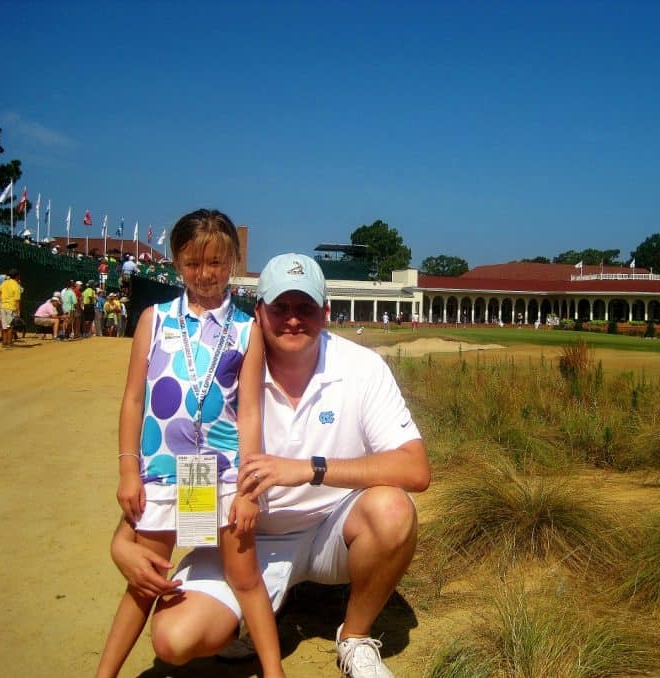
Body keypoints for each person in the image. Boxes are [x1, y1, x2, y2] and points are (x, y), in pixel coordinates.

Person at [109, 252, 430, 677]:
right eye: (279, 307)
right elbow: (178, 469)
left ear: (326, 312)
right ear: (258, 313)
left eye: (305, 308)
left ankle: (354, 637)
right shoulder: (219, 376)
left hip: (329, 532)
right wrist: (123, 540)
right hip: (240, 543)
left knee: (392, 510)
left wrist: (309, 468)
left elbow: (415, 470)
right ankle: (253, 611)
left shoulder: (361, 367)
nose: (292, 319)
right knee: (174, 640)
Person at [96, 210, 283, 677]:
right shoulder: (153, 320)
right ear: (176, 261)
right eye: (193, 263)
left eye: (217, 263)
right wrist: (126, 470)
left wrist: (247, 488)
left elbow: (251, 412)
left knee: (245, 577)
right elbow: (133, 398)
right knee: (145, 582)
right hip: (161, 471)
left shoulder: (247, 330)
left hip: (219, 472)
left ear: (234, 262)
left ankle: (274, 671)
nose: (205, 275)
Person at [0, 268, 22, 347]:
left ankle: (4, 342)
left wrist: (1, 298)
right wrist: (18, 311)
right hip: (11, 307)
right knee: (10, 326)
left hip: (3, 306)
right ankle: (9, 342)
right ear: (17, 276)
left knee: (4, 326)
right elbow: (17, 300)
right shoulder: (16, 285)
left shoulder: (5, 282)